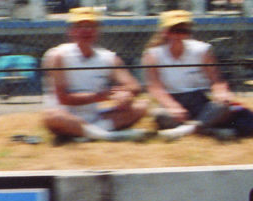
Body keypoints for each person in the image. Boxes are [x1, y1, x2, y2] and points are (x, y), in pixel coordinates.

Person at [40, 7, 150, 142]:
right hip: (66, 116)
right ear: (72, 31)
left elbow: (133, 85)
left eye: (91, 26)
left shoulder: (108, 58)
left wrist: (125, 93)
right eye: (80, 26)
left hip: (95, 117)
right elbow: (64, 98)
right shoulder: (58, 56)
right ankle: (108, 136)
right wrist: (100, 97)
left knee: (141, 106)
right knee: (52, 116)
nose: (86, 31)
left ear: (98, 31)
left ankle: (87, 135)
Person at [142, 10, 253, 141]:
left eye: (183, 31)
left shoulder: (202, 50)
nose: (179, 36)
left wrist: (221, 92)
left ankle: (187, 130)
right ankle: (207, 129)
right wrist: (172, 106)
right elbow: (155, 87)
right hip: (173, 99)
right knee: (159, 114)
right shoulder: (152, 55)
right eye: (174, 30)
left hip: (199, 100)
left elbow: (217, 80)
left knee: (222, 106)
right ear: (164, 32)